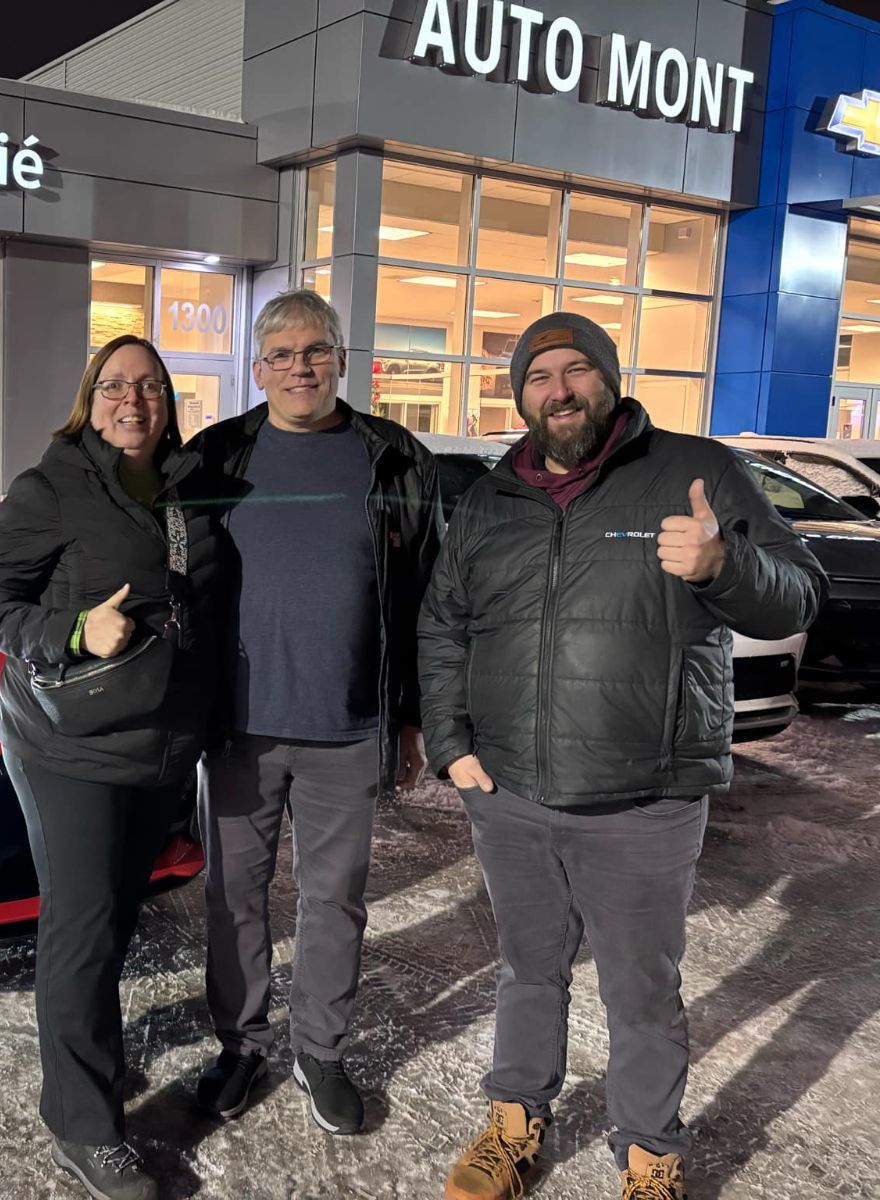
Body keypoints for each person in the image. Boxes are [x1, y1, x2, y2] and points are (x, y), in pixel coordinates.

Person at [418, 313, 827, 1200]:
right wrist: (451, 744)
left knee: (641, 991)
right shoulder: (492, 499)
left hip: (645, 799)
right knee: (528, 968)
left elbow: (798, 594)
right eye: (538, 376)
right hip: (511, 791)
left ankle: (648, 1153)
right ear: (519, 393)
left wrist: (724, 566)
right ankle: (516, 1118)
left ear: (609, 377)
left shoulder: (697, 470)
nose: (558, 390)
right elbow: (444, 624)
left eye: (576, 371)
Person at [0, 334, 223, 1200]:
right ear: (90, 397)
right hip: (66, 742)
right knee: (81, 926)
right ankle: (81, 1119)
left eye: (149, 386)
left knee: (114, 921)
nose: (133, 400)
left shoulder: (188, 486)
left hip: (160, 743)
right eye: (116, 385)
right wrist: (73, 633)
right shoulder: (54, 485)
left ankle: (91, 1068)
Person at [188, 289, 442, 1134]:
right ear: (257, 369)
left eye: (317, 350)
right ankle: (240, 1045)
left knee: (335, 899)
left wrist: (408, 717)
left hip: (348, 725)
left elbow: (421, 599)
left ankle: (321, 1050)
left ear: (342, 359)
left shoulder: (393, 456)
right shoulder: (216, 457)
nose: (301, 366)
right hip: (240, 723)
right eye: (284, 354)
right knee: (235, 894)